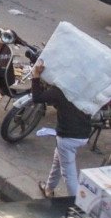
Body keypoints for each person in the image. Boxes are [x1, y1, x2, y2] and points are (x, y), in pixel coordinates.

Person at [32, 59, 94, 198]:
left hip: (67, 137)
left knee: (69, 174)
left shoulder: (60, 90)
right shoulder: (87, 88)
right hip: (83, 135)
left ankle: (76, 204)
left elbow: (37, 98)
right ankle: (48, 189)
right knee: (58, 160)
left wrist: (36, 76)